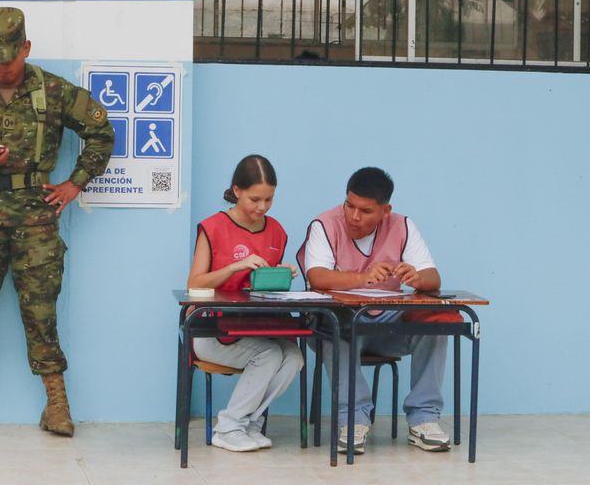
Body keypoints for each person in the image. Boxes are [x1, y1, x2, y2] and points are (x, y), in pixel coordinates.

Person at [0, 7, 114, 437]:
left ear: (26, 48)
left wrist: (75, 184)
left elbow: (101, 133)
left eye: (10, 60)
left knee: (41, 312)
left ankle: (57, 405)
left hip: (36, 219)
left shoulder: (53, 91)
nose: (3, 69)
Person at [296, 167, 450, 454]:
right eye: (349, 205)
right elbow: (317, 277)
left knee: (435, 324)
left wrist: (418, 278)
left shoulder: (403, 226)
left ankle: (424, 418)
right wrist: (361, 277)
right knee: (334, 325)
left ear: (386, 210)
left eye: (365, 211)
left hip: (388, 323)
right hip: (342, 321)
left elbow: (433, 277)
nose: (353, 216)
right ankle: (352, 419)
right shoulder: (324, 224)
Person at [187, 154, 304, 452]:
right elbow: (194, 284)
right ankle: (228, 426)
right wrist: (232, 269)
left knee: (293, 357)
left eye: (269, 199)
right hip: (210, 330)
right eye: (255, 199)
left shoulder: (276, 231)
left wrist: (281, 276)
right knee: (267, 355)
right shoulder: (213, 227)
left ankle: (249, 423)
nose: (262, 207)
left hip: (256, 326)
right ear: (237, 190)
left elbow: (261, 290)